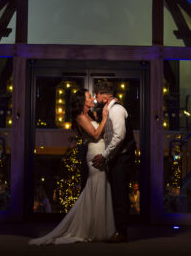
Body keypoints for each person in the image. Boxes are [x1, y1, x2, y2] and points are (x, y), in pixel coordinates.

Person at [30, 89, 114, 245]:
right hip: (95, 154)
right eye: (89, 97)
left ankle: (95, 228)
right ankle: (92, 230)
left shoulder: (90, 115)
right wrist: (104, 117)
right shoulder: (80, 117)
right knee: (95, 190)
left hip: (101, 153)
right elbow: (95, 135)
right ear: (83, 101)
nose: (92, 99)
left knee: (98, 191)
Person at [91, 80, 136, 243]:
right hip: (118, 157)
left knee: (120, 195)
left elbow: (119, 136)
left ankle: (122, 232)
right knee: (117, 193)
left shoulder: (117, 110)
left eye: (96, 95)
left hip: (123, 157)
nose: (95, 98)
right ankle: (118, 230)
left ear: (104, 96)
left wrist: (104, 155)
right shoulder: (109, 110)